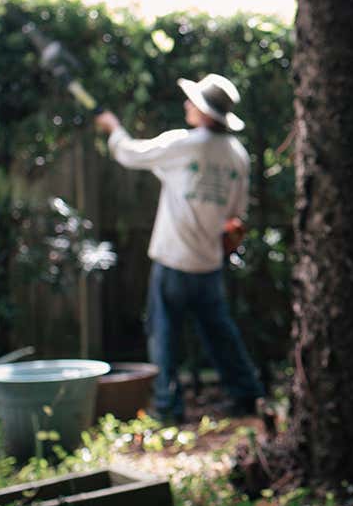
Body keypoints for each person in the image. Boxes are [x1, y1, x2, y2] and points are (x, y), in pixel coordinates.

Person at [94, 74, 263, 423]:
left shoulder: (184, 144)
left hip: (173, 260)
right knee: (221, 336)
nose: (186, 104)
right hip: (209, 263)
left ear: (203, 111)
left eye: (192, 101)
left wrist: (113, 127)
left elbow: (130, 153)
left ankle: (169, 409)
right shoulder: (237, 156)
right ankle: (247, 395)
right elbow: (235, 216)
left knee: (164, 337)